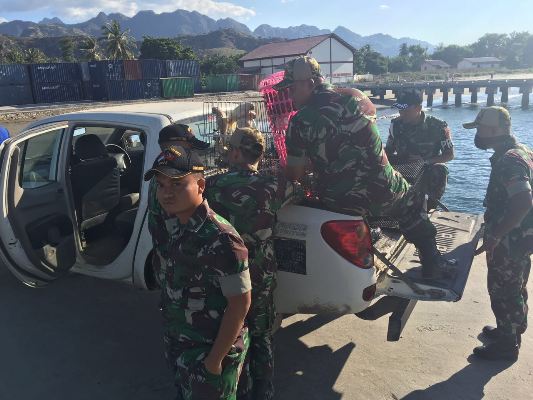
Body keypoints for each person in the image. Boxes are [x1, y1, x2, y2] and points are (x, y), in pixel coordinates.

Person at [274, 56, 453, 280]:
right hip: (385, 190)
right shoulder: (358, 99)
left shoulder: (299, 122)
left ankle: (358, 256)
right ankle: (431, 262)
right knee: (413, 203)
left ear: (310, 84)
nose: (289, 96)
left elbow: (295, 174)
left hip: (339, 202)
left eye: (291, 89)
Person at [146, 146, 252, 399]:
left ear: (201, 186)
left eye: (177, 184)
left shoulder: (222, 239)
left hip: (209, 352)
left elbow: (240, 305)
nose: (167, 193)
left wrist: (214, 361)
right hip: (183, 346)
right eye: (161, 185)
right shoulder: (179, 226)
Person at [205, 127, 299, 400]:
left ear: (235, 152)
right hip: (261, 271)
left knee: (230, 330)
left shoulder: (214, 185)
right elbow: (299, 193)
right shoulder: (274, 186)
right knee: (261, 333)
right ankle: (264, 389)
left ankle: (237, 387)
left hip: (225, 272)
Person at [463, 107, 532, 361]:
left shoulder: (509, 160)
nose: (478, 134)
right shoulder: (521, 152)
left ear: (496, 130)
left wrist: (496, 235)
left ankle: (507, 345)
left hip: (510, 240)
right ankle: (511, 331)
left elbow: (524, 201)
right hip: (521, 237)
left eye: (480, 129)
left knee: (503, 290)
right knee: (515, 287)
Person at [386, 90, 454, 206]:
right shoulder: (395, 124)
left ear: (418, 108)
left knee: (440, 170)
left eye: (406, 109)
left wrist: (425, 161)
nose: (402, 113)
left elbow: (449, 155)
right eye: (400, 109)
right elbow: (388, 151)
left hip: (425, 169)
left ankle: (428, 206)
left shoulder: (438, 126)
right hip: (402, 168)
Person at [148, 123, 210, 248]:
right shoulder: (164, 181)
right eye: (190, 147)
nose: (193, 152)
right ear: (174, 146)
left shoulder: (160, 176)